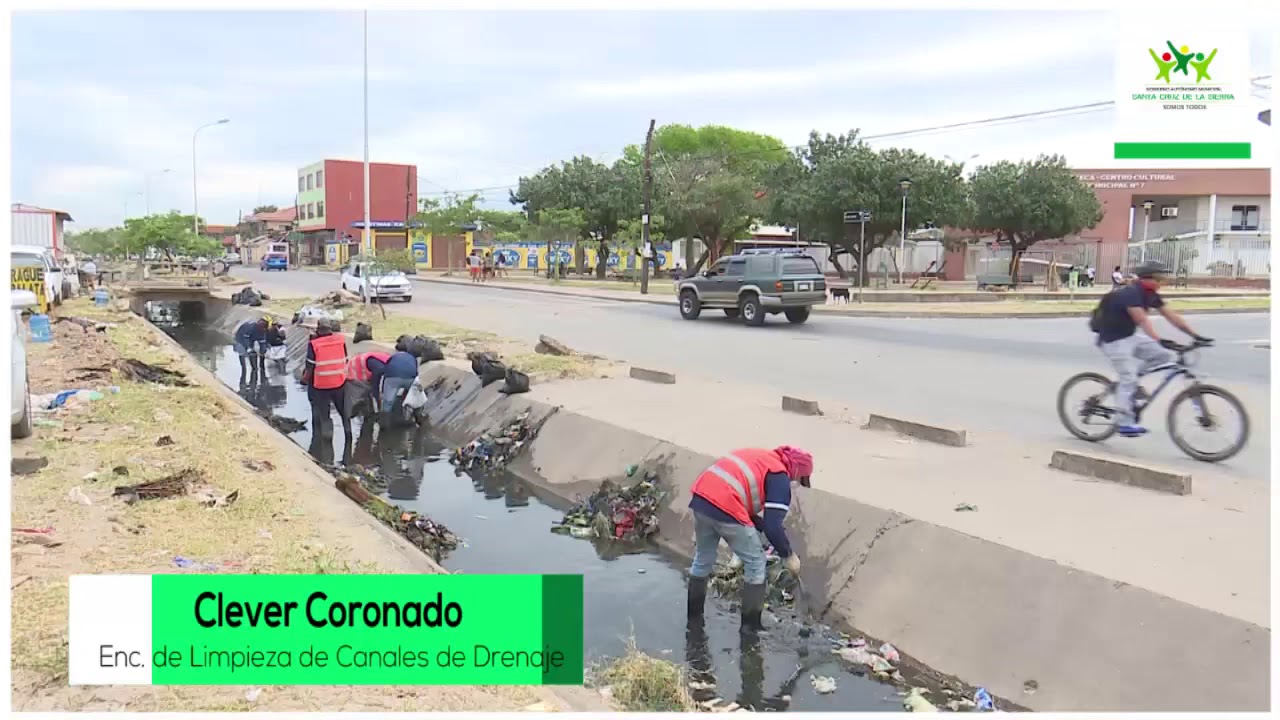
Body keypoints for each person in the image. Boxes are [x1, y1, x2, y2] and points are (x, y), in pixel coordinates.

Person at [686, 446, 813, 632]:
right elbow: (773, 527)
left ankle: (693, 619)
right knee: (756, 563)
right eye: (799, 479)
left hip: (701, 498)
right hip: (725, 505)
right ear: (796, 470)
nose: (794, 483)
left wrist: (759, 526)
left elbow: (739, 491)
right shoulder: (779, 475)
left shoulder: (761, 458)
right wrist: (788, 555)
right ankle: (750, 629)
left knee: (703, 558)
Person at [1091, 260, 1212, 437]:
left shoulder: (1151, 295)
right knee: (1128, 377)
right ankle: (1124, 423)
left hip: (1129, 337)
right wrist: (1158, 339)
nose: (1162, 281)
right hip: (1112, 340)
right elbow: (1141, 319)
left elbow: (1172, 317)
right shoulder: (1131, 293)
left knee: (1163, 356)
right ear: (1147, 278)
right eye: (1159, 278)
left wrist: (1195, 336)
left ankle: (1132, 385)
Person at [301, 318, 352, 454]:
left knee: (325, 415)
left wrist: (304, 380)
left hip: (321, 385)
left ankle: (327, 446)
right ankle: (349, 438)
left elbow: (310, 368)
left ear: (318, 329)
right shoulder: (340, 340)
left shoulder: (314, 344)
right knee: (344, 412)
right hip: (339, 383)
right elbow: (345, 360)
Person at [371, 347, 422, 427]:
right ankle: (419, 419)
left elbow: (386, 371)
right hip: (410, 378)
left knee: (387, 403)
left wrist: (384, 391)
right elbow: (416, 373)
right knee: (417, 399)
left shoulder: (393, 357)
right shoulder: (413, 358)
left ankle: (384, 427)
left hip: (392, 378)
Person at [344, 349, 392, 418]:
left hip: (361, 367)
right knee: (360, 397)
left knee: (369, 394)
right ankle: (358, 415)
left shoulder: (387, 362)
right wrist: (377, 397)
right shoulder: (380, 368)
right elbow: (375, 386)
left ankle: (369, 413)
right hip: (354, 372)